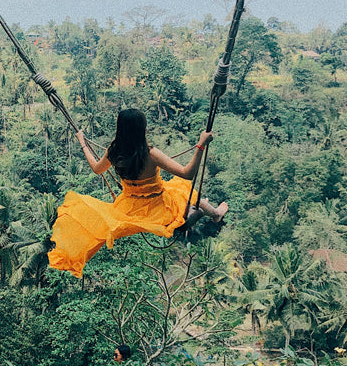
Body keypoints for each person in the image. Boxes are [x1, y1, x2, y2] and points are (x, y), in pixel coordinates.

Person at [48, 109, 228, 277]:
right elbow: (187, 173)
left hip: (129, 206)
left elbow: (96, 168)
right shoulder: (150, 154)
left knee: (187, 195)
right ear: (142, 130)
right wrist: (201, 145)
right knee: (185, 191)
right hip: (158, 204)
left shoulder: (114, 151)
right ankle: (214, 214)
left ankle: (205, 213)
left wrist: (82, 142)